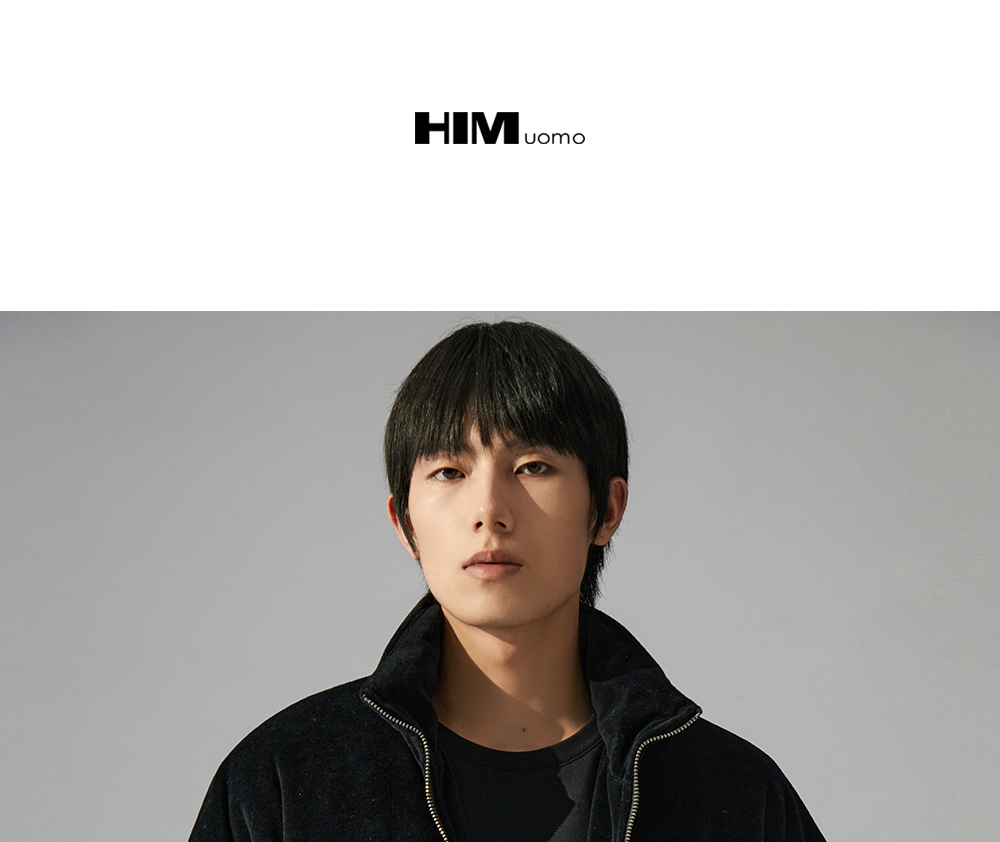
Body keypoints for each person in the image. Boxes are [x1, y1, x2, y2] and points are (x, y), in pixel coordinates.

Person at [189, 320, 827, 842]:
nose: (489, 510)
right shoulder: (284, 783)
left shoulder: (733, 795)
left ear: (607, 510)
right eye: (449, 471)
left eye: (533, 465)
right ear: (404, 522)